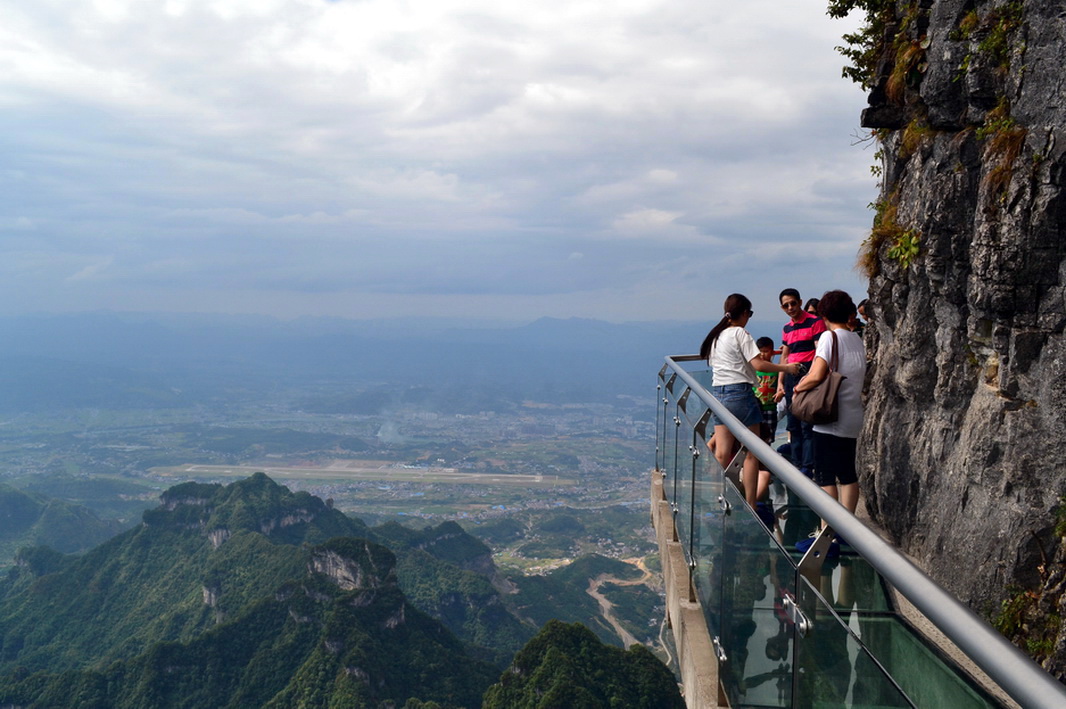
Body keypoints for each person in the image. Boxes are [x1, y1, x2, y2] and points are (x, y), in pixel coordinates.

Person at [699, 294, 799, 511]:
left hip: (719, 395)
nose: (749, 318)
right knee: (752, 452)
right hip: (741, 395)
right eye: (749, 314)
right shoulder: (739, 333)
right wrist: (787, 368)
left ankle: (720, 500)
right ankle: (750, 505)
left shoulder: (717, 336)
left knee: (723, 453)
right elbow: (758, 365)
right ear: (743, 313)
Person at [793, 290, 866, 554]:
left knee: (824, 475)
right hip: (852, 414)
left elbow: (817, 373)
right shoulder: (857, 339)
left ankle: (826, 536)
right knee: (847, 473)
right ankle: (847, 532)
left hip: (830, 415)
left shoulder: (829, 336)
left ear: (823, 313)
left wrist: (800, 387)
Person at [775, 289, 826, 477]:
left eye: (793, 303)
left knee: (806, 422)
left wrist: (811, 375)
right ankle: (796, 464)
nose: (790, 308)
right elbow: (785, 356)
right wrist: (780, 382)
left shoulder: (815, 322)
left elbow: (819, 351)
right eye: (786, 305)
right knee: (793, 422)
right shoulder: (787, 328)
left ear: (800, 302)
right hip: (790, 375)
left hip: (807, 374)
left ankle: (808, 465)